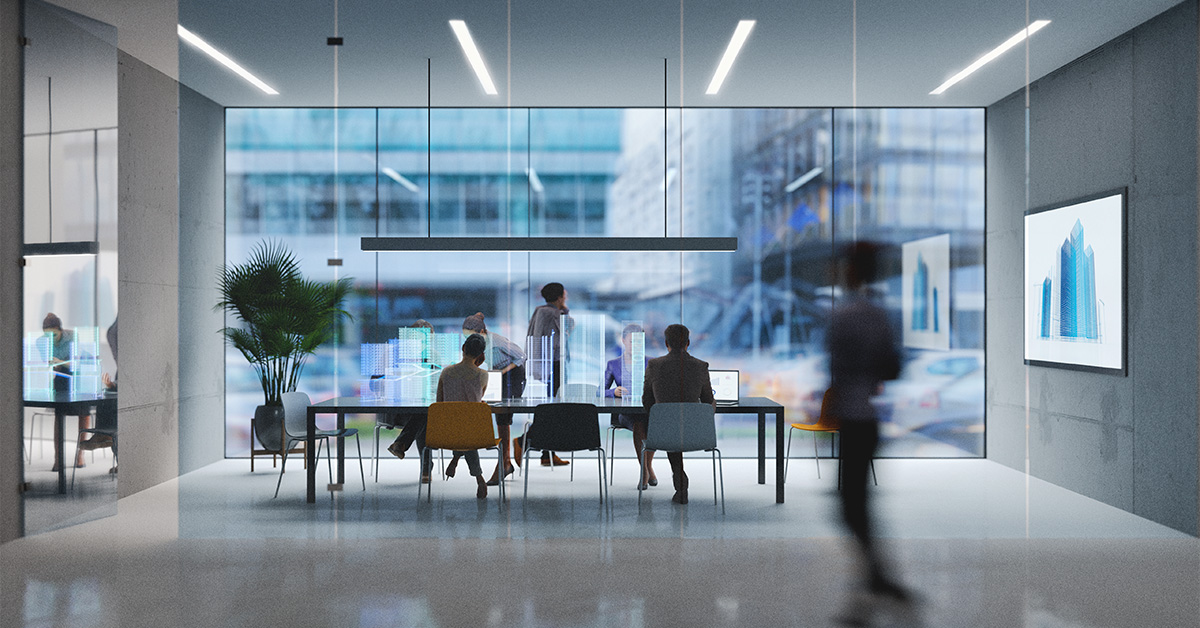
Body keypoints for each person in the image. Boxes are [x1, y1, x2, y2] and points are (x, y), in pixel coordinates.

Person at [825, 242, 912, 620]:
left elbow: (838, 370)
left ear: (852, 270)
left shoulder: (848, 316)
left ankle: (879, 582)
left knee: (850, 506)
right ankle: (877, 580)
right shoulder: (877, 315)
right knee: (854, 505)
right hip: (866, 417)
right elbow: (893, 367)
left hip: (853, 418)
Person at [642, 323, 713, 505]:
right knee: (678, 424)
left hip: (662, 432)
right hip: (695, 433)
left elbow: (647, 402)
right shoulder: (701, 366)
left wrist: (662, 413)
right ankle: (680, 480)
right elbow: (707, 402)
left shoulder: (654, 365)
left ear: (666, 343)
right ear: (688, 343)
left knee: (669, 425)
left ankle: (680, 480)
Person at [461, 312, 523, 485]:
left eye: (471, 336)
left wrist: (501, 372)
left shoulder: (497, 341)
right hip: (497, 375)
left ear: (482, 332)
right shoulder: (479, 343)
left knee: (503, 416)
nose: (469, 340)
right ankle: (505, 462)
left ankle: (503, 463)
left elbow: (521, 356)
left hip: (513, 375)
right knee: (497, 414)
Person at [515, 282, 572, 467]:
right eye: (564, 293)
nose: (566, 296)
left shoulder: (543, 311)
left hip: (550, 365)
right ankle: (523, 441)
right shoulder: (550, 313)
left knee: (551, 409)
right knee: (552, 410)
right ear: (559, 297)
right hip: (552, 366)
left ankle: (547, 454)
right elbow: (563, 333)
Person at [433, 333, 491, 499]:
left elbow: (439, 403)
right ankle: (479, 478)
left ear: (463, 348)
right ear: (481, 355)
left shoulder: (446, 372)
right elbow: (478, 401)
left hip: (447, 431)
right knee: (467, 428)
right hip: (473, 433)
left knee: (460, 426)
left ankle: (456, 459)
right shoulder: (483, 375)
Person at [602, 323, 656, 489]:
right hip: (625, 412)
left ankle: (647, 469)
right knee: (639, 422)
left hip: (648, 409)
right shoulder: (613, 364)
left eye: (639, 342)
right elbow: (600, 390)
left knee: (650, 421)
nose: (636, 346)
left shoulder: (652, 363)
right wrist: (614, 392)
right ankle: (645, 471)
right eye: (632, 341)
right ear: (623, 340)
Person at [42, 313, 88, 470]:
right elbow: (53, 367)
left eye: (54, 334)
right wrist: (57, 365)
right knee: (59, 415)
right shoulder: (43, 342)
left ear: (60, 330)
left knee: (84, 413)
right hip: (61, 378)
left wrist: (60, 362)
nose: (51, 338)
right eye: (47, 335)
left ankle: (80, 455)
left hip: (78, 378)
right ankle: (58, 458)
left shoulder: (72, 337)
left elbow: (76, 365)